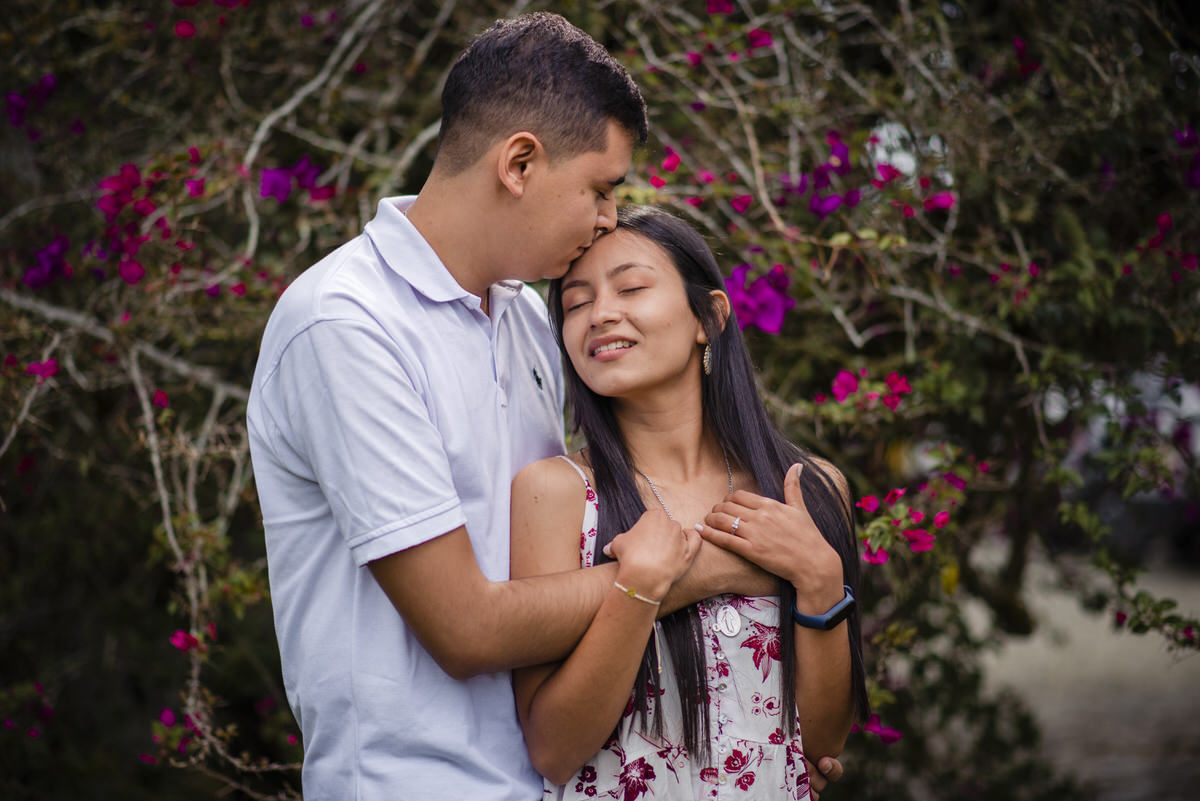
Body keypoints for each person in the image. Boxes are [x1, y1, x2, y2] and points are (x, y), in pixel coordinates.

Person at [246, 12, 845, 800]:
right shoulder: (347, 323)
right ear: (520, 162)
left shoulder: (526, 318)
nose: (606, 218)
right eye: (601, 188)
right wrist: (730, 569)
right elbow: (465, 627)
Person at [511, 205, 868, 800]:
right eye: (575, 304)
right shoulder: (558, 494)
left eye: (631, 288)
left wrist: (821, 579)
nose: (600, 314)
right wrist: (639, 589)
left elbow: (822, 742)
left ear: (709, 315)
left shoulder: (809, 490)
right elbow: (552, 748)